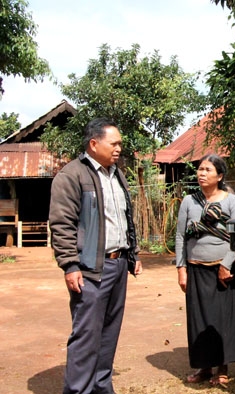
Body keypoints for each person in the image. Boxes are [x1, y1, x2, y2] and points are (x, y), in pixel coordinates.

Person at [49, 118, 143, 394]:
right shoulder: (72, 175)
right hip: (90, 268)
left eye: (120, 144)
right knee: (87, 335)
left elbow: (125, 218)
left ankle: (102, 387)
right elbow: (62, 224)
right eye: (114, 143)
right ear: (94, 144)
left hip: (118, 264)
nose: (118, 149)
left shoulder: (117, 174)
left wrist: (133, 253)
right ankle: (79, 390)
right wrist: (70, 265)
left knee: (109, 333)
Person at [175, 154, 235, 388]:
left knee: (222, 321)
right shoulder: (189, 201)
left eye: (207, 169)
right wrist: (181, 268)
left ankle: (222, 368)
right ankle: (204, 367)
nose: (201, 173)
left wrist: (226, 265)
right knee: (200, 321)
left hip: (224, 272)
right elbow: (180, 236)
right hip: (197, 271)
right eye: (200, 169)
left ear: (219, 176)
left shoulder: (231, 201)